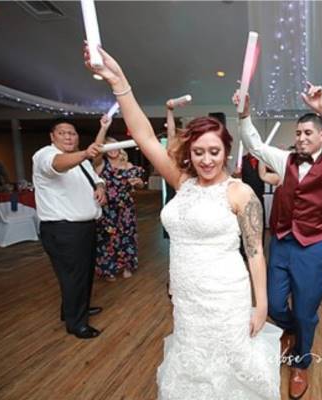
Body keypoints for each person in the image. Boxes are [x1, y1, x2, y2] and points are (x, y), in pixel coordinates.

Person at [85, 45, 279, 399]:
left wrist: (261, 304)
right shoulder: (181, 182)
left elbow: (254, 253)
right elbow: (143, 135)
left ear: (226, 152)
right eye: (199, 152)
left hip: (225, 295)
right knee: (193, 363)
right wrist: (119, 80)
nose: (206, 159)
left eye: (214, 151)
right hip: (185, 295)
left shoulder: (239, 193)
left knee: (229, 363)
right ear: (189, 153)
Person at [234, 82, 322, 399]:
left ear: (321, 136)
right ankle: (291, 330)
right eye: (299, 133)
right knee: (275, 305)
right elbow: (255, 146)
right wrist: (245, 115)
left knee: (306, 313)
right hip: (280, 244)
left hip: (313, 250)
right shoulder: (285, 160)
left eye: (308, 133)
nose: (302, 138)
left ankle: (301, 362)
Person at [32, 119, 106, 339]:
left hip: (85, 227)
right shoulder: (45, 155)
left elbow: (96, 178)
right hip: (63, 229)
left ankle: (74, 308)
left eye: (72, 133)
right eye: (63, 133)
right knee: (73, 276)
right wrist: (84, 153)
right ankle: (77, 324)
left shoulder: (81, 161)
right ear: (52, 137)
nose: (68, 137)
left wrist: (100, 187)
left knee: (83, 273)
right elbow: (57, 164)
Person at [93, 115, 145, 281]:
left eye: (115, 145)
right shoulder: (101, 165)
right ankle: (108, 269)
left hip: (126, 208)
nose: (113, 149)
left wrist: (138, 183)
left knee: (127, 237)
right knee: (107, 238)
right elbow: (96, 148)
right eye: (108, 147)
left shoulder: (128, 166)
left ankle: (127, 266)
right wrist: (104, 128)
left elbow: (139, 185)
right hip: (107, 208)